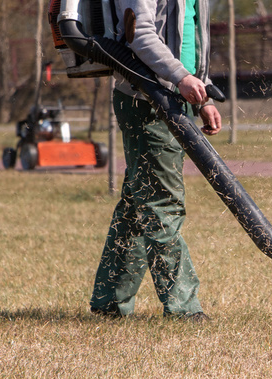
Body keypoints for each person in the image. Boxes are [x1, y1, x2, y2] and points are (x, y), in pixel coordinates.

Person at [89, 0, 222, 321]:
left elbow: (190, 34)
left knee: (138, 203)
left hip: (176, 97)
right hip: (146, 99)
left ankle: (110, 302)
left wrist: (200, 90)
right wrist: (180, 77)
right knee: (162, 202)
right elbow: (139, 35)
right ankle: (183, 308)